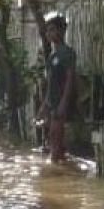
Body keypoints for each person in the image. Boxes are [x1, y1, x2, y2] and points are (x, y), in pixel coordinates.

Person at [37, 12, 76, 163]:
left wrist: (63, 103)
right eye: (48, 30)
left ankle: (59, 173)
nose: (49, 33)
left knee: (56, 139)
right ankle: (60, 171)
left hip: (61, 102)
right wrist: (44, 105)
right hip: (53, 102)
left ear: (62, 31)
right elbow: (51, 83)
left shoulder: (67, 53)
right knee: (52, 140)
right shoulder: (52, 56)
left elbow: (70, 79)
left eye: (52, 29)